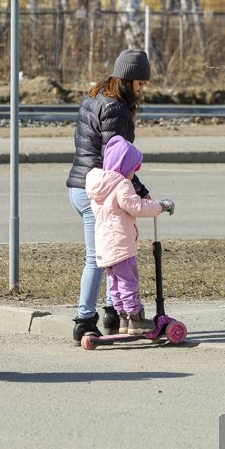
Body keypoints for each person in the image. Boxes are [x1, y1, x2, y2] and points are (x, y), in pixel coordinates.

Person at [65, 48, 152, 345]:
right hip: (99, 192)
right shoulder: (115, 108)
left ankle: (113, 313)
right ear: (126, 80)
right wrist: (138, 189)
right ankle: (84, 320)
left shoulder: (93, 96)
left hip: (81, 187)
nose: (142, 88)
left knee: (113, 253)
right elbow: (115, 158)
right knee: (100, 258)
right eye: (139, 82)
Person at [85, 136, 174, 334]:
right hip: (121, 243)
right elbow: (137, 207)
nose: (134, 174)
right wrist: (160, 206)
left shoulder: (98, 185)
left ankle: (123, 318)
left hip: (105, 244)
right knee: (128, 280)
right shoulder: (121, 185)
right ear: (124, 165)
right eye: (134, 168)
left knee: (115, 281)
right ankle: (135, 318)